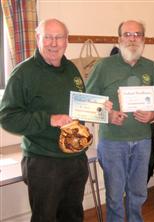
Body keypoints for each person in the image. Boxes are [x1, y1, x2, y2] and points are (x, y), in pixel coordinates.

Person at [0, 19, 107, 222]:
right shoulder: (23, 73)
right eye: (48, 37)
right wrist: (48, 119)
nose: (53, 43)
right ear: (38, 38)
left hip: (75, 160)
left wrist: (99, 109)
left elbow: (78, 109)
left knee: (73, 216)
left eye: (59, 37)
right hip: (43, 162)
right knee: (45, 218)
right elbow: (7, 117)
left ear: (66, 41)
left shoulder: (72, 70)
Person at [86, 20, 154, 222]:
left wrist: (153, 115)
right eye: (127, 34)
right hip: (112, 143)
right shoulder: (103, 66)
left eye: (137, 34)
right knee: (115, 196)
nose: (132, 39)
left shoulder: (151, 67)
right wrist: (107, 116)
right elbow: (86, 102)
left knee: (138, 194)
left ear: (144, 39)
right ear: (119, 39)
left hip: (143, 141)